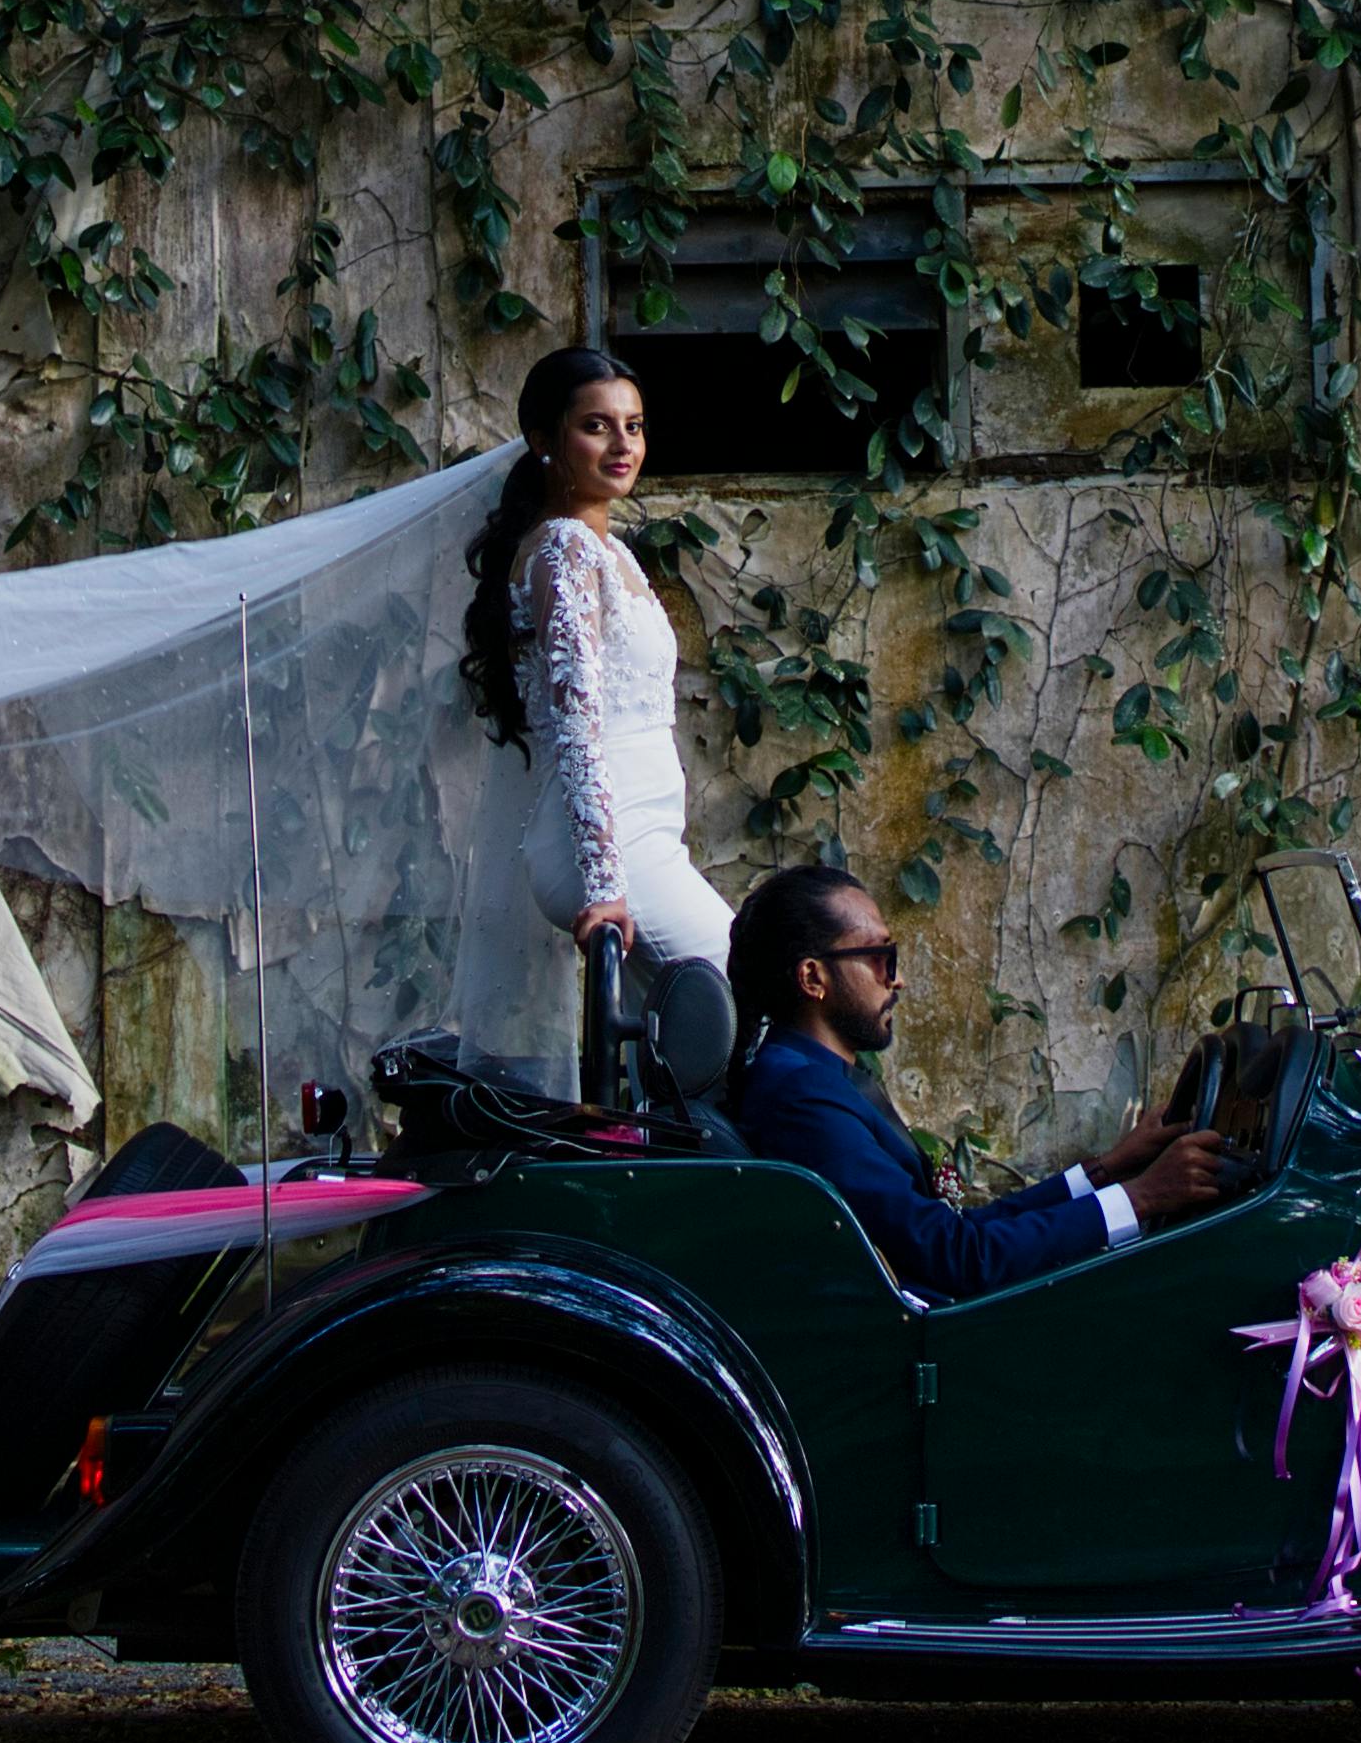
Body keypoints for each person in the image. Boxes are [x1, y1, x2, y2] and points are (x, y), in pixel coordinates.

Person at [723, 862, 1229, 1296]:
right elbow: (955, 1258)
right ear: (813, 978)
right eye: (881, 958)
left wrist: (1107, 1169)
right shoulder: (801, 1094)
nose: (897, 979)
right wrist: (1143, 1198)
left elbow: (950, 1233)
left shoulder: (817, 1074)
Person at [463, 348, 733, 982]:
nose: (622, 444)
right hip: (612, 859)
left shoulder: (610, 552)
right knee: (752, 998)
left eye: (633, 425)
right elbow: (578, 725)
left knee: (679, 1060)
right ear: (543, 441)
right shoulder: (564, 549)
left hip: (646, 842)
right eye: (596, 425)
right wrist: (605, 884)